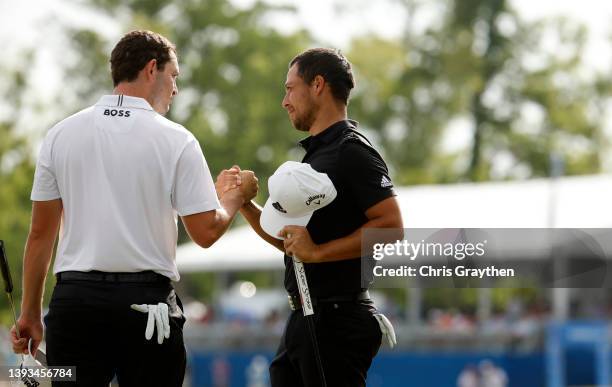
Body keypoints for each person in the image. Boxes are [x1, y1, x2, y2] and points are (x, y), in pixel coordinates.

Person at [10, 30, 257, 386]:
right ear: (152, 68)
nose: (176, 89)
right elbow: (205, 233)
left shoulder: (59, 135)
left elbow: (40, 234)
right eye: (174, 76)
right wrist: (234, 197)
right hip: (146, 306)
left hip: (75, 304)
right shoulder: (177, 139)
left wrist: (31, 312)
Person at [239, 48, 403, 386]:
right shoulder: (315, 155)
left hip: (337, 318)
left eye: (289, 88)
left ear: (317, 85)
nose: (284, 101)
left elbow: (391, 228)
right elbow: (291, 242)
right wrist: (244, 204)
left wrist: (318, 253)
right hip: (307, 317)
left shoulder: (352, 150)